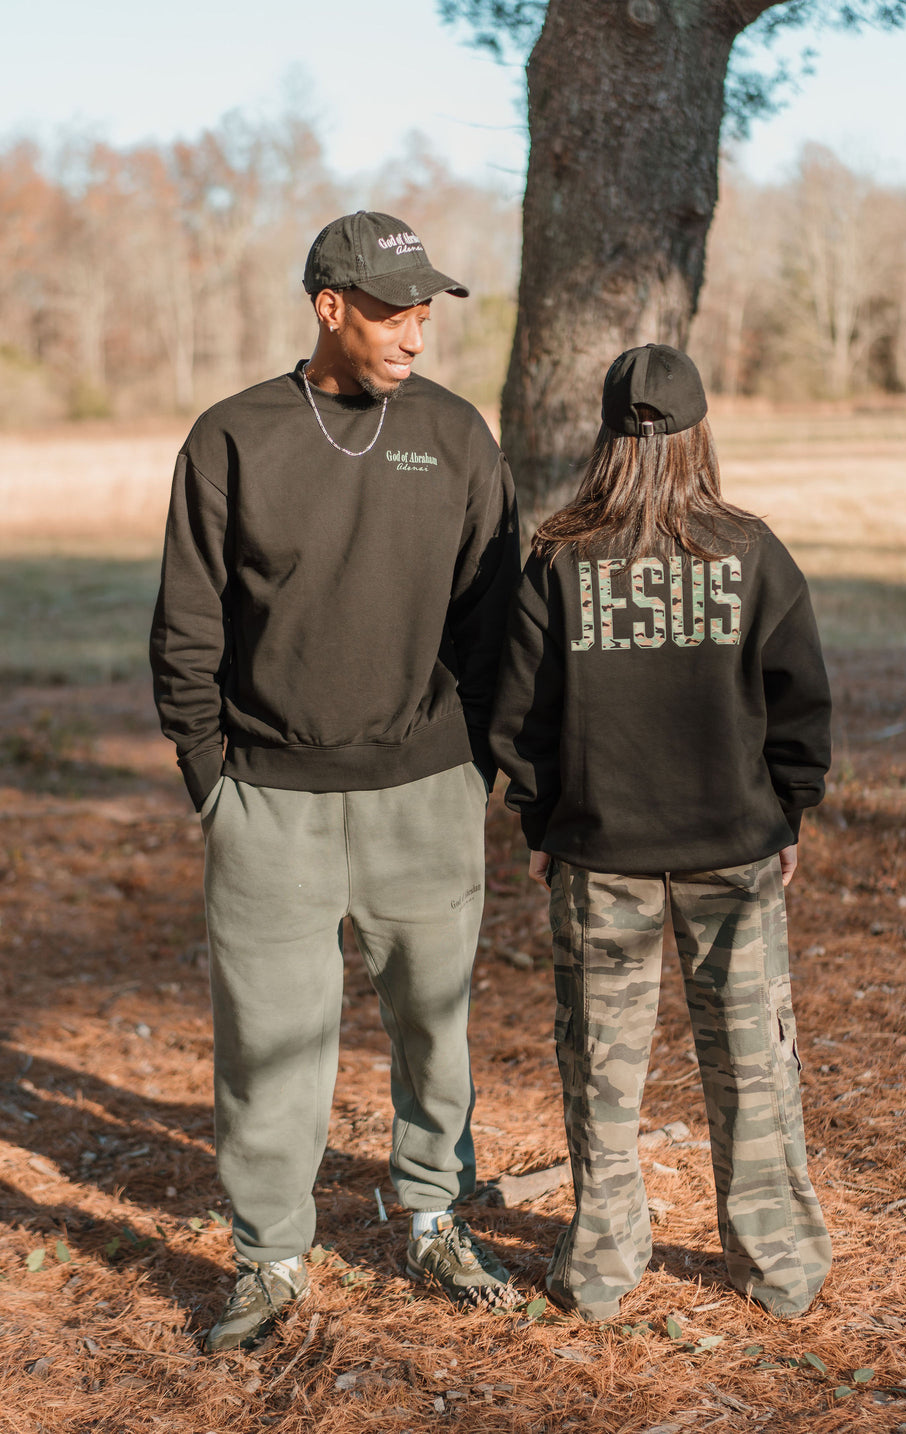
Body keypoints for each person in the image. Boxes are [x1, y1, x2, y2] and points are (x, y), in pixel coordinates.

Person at [150, 211, 521, 1352]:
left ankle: (433, 1217)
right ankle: (269, 1259)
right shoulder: (233, 437)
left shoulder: (455, 434)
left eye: (425, 313)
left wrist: (471, 765)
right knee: (268, 1047)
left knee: (435, 1032)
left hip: (425, 792)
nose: (415, 334)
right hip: (268, 802)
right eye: (394, 312)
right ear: (329, 307)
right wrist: (213, 779)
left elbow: (494, 617)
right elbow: (188, 624)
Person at [490, 344, 832, 1322]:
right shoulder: (751, 551)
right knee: (754, 1065)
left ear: (608, 438)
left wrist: (540, 816)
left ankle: (600, 1271)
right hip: (732, 848)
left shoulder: (559, 557)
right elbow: (801, 700)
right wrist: (787, 810)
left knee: (600, 1067)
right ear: (698, 434)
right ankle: (779, 1267)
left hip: (601, 856)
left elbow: (520, 715)